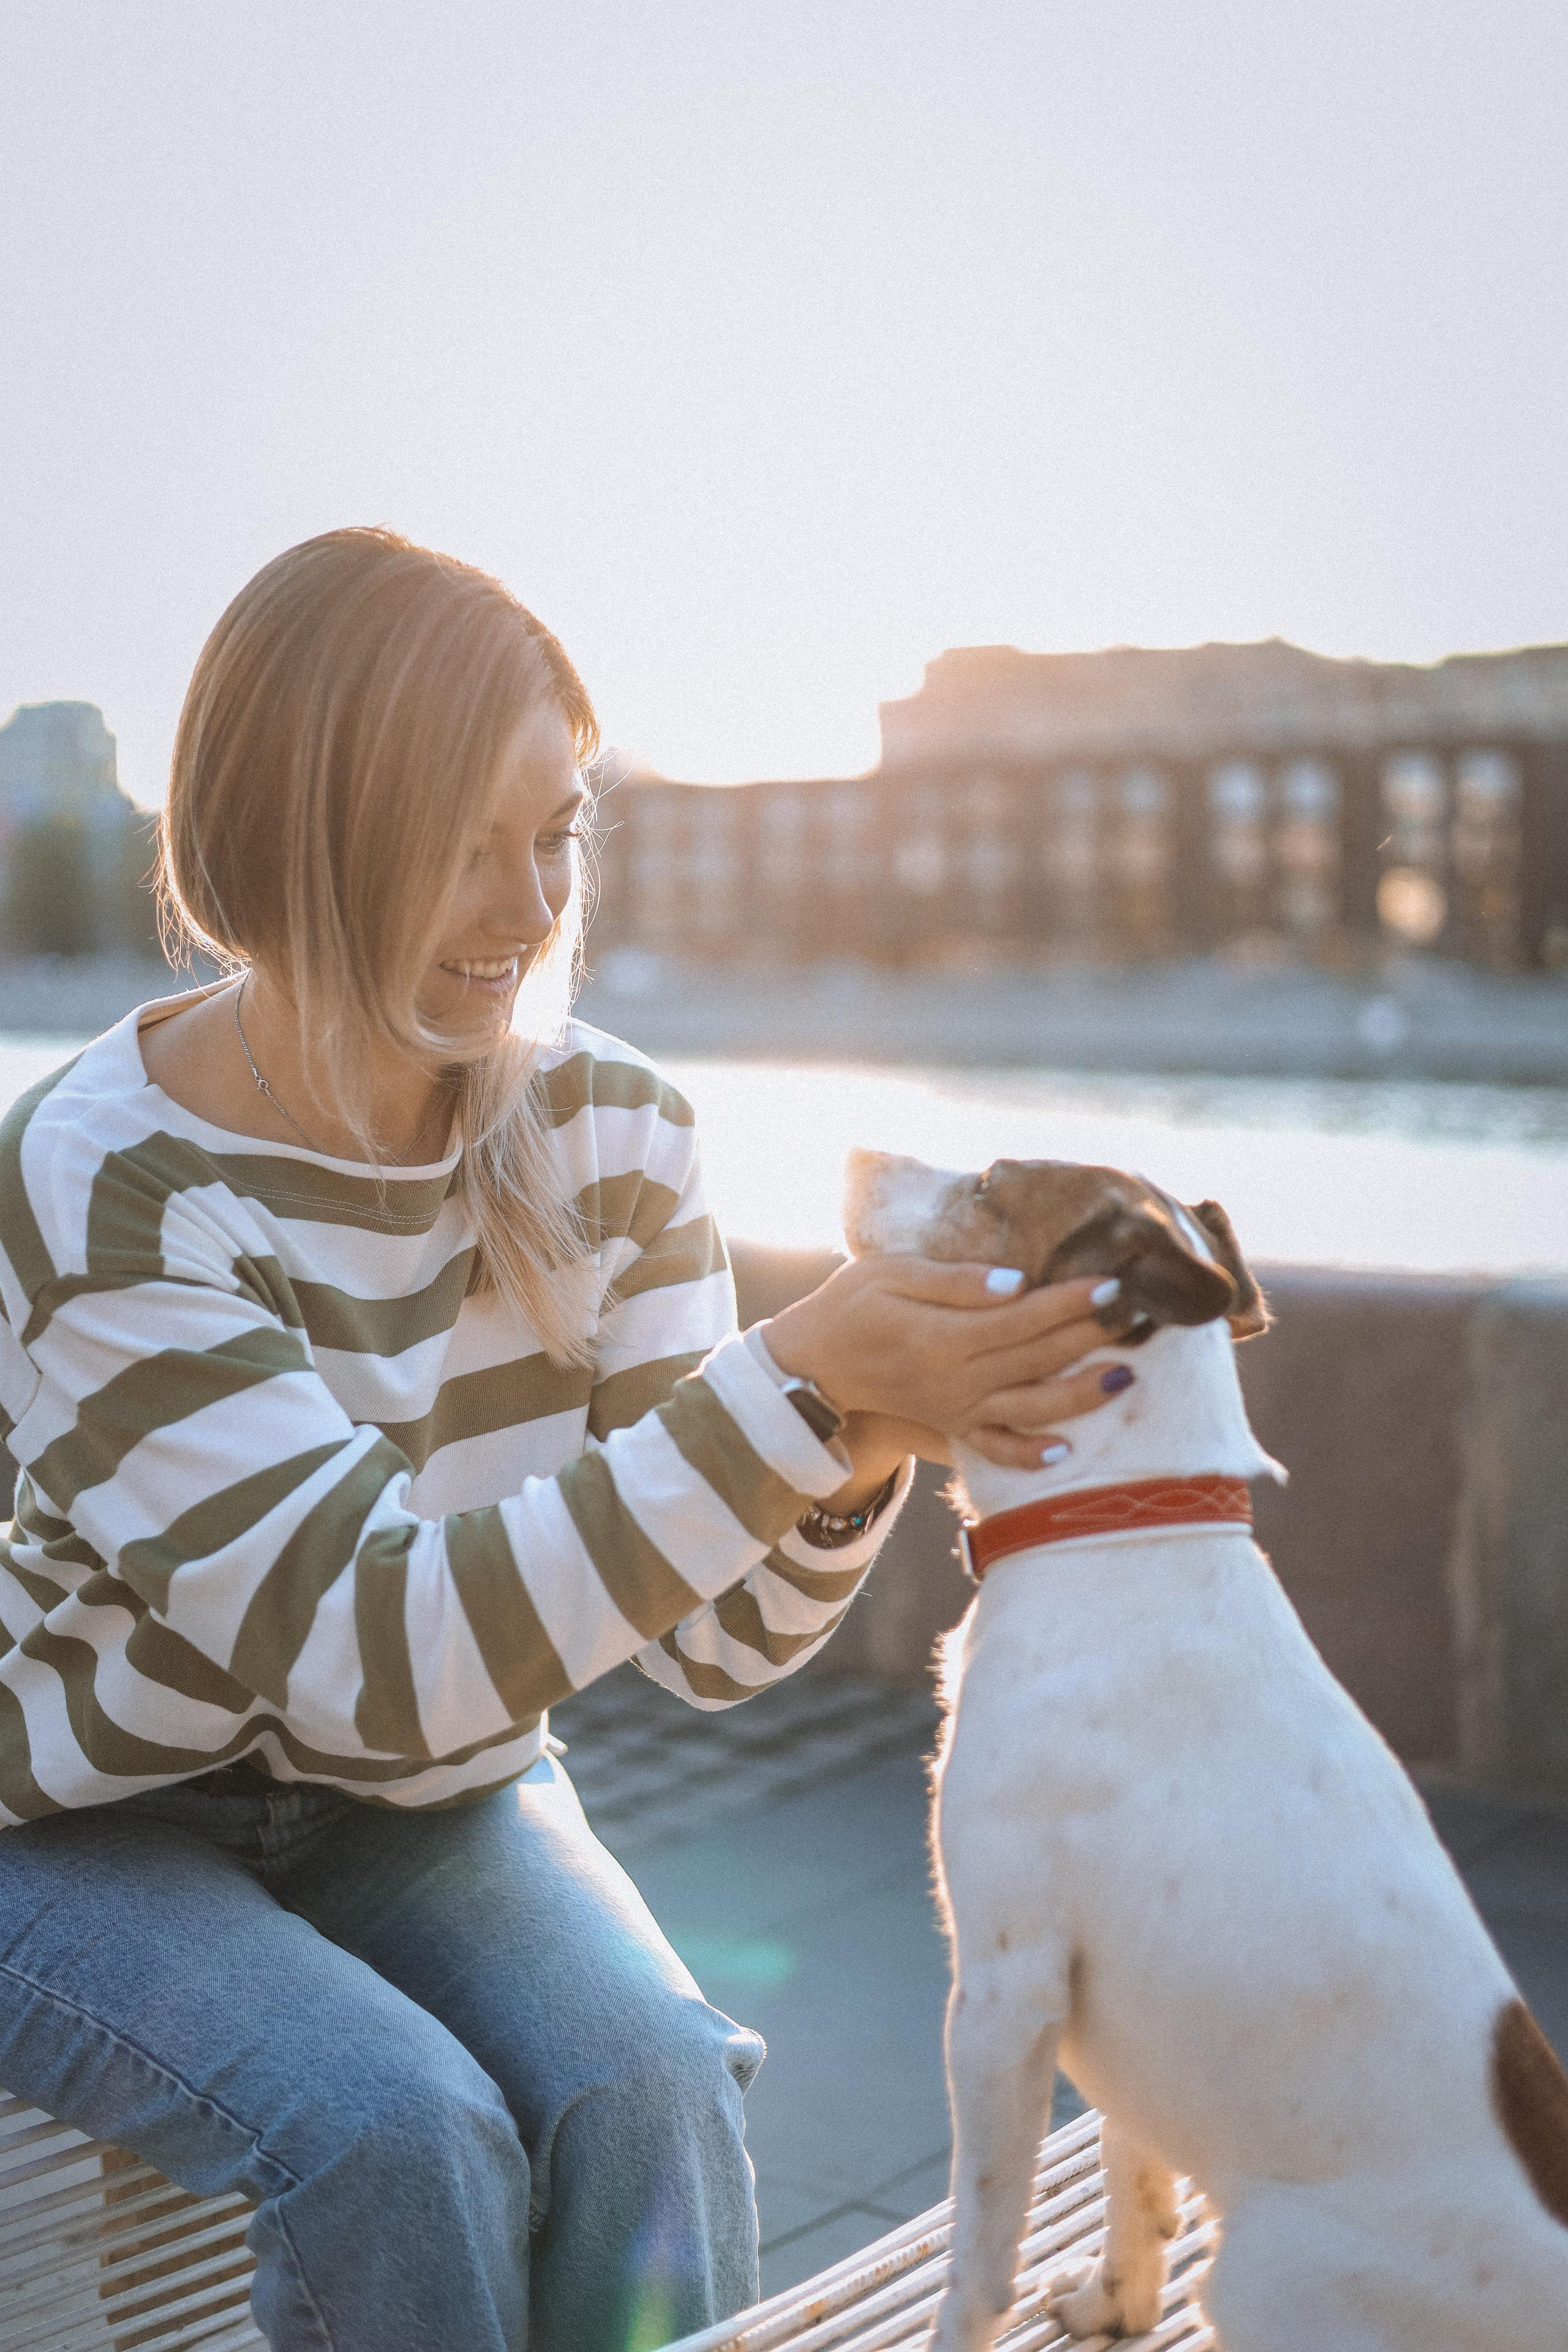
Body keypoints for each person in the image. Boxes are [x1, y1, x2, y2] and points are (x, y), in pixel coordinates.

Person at [0, 529, 1128, 2352]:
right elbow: (376, 1660)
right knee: (396, 2131)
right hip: (75, 1822)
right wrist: (789, 1385)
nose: (527, 906)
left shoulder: (617, 1129)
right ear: (300, 829)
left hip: (420, 1800)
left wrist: (854, 1431)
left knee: (657, 2090)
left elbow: (718, 1644)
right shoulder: (110, 1171)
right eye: (463, 839)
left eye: (557, 830)